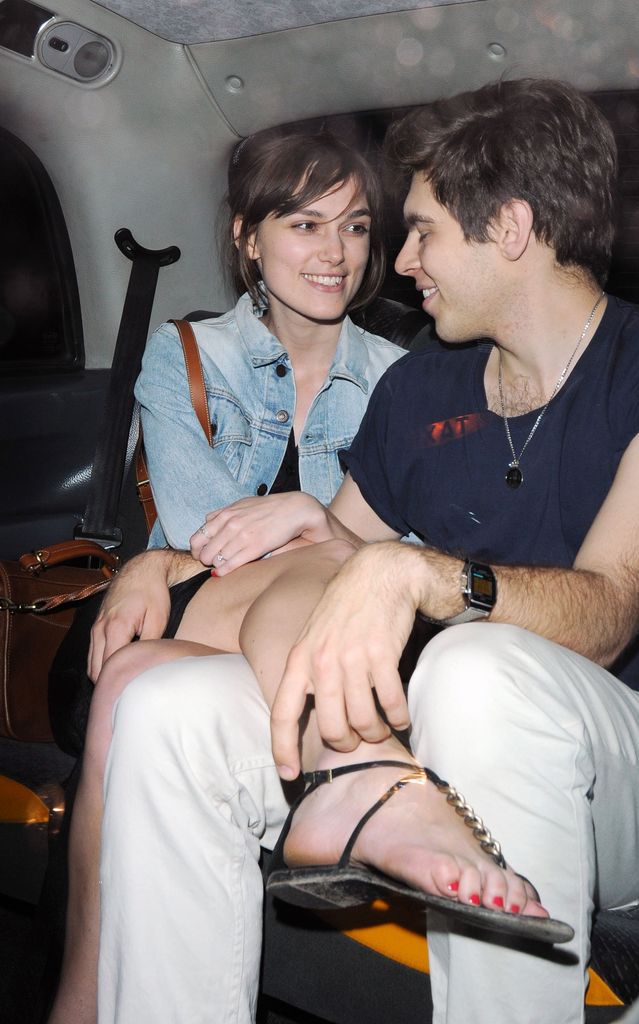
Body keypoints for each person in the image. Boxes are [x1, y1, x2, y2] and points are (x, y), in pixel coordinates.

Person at [92, 78, 639, 1024]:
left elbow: (604, 615)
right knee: (167, 706)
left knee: (477, 669)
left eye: (423, 231)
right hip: (434, 746)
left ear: (511, 228)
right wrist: (167, 565)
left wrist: (416, 572)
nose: (398, 264)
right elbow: (326, 560)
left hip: (638, 777)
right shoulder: (421, 390)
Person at [47, 126, 406, 1024]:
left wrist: (312, 526)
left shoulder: (402, 381)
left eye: (356, 228)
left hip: (309, 638)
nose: (335, 255)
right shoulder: (188, 356)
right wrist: (172, 557)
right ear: (247, 237)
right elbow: (218, 543)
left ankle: (78, 999)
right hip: (198, 614)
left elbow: (389, 553)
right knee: (130, 672)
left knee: (130, 685)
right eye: (304, 225)